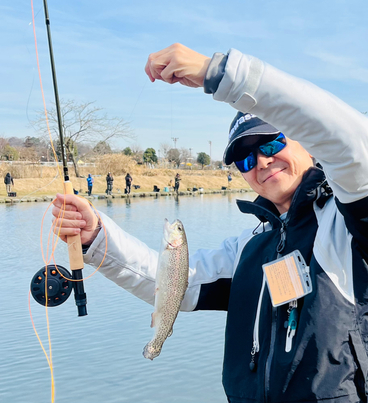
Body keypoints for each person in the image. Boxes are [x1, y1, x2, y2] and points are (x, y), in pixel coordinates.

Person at [52, 44, 368, 403]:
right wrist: (97, 237)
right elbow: (175, 283)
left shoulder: (350, 221)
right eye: (245, 159)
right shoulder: (251, 244)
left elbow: (355, 144)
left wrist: (221, 73)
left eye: (272, 141)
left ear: (307, 142)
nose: (261, 162)